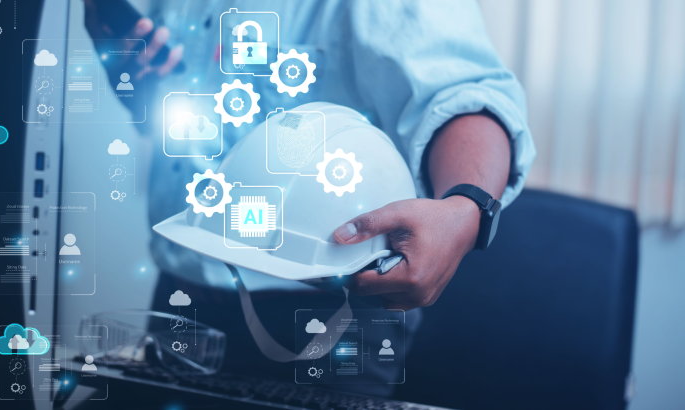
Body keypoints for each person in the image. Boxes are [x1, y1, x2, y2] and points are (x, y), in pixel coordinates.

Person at [84, 0, 534, 397]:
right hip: (183, 294)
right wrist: (137, 84)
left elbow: (463, 97)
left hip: (329, 309)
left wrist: (465, 207)